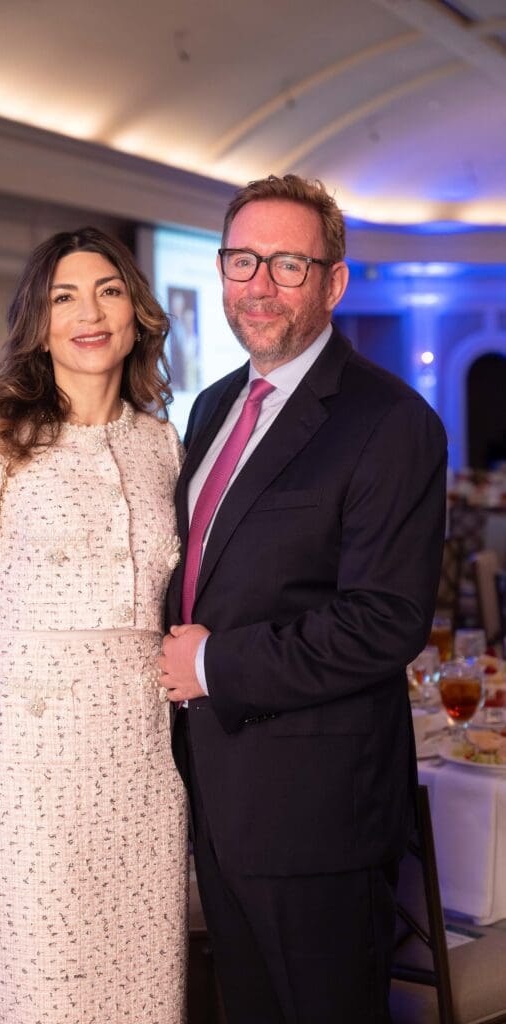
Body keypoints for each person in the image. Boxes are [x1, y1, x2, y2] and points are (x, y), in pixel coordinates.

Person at [159, 174, 447, 1024]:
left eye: (288, 264)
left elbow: (384, 620)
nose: (259, 285)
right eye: (241, 261)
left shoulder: (388, 421)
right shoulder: (213, 406)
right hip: (216, 792)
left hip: (317, 810)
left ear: (333, 281)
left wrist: (213, 664)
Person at [0, 227, 188, 1024]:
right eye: (63, 297)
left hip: (144, 763)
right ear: (38, 323)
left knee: (147, 994)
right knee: (42, 991)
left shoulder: (162, 443)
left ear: (136, 312)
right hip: (29, 768)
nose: (89, 314)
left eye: (108, 291)